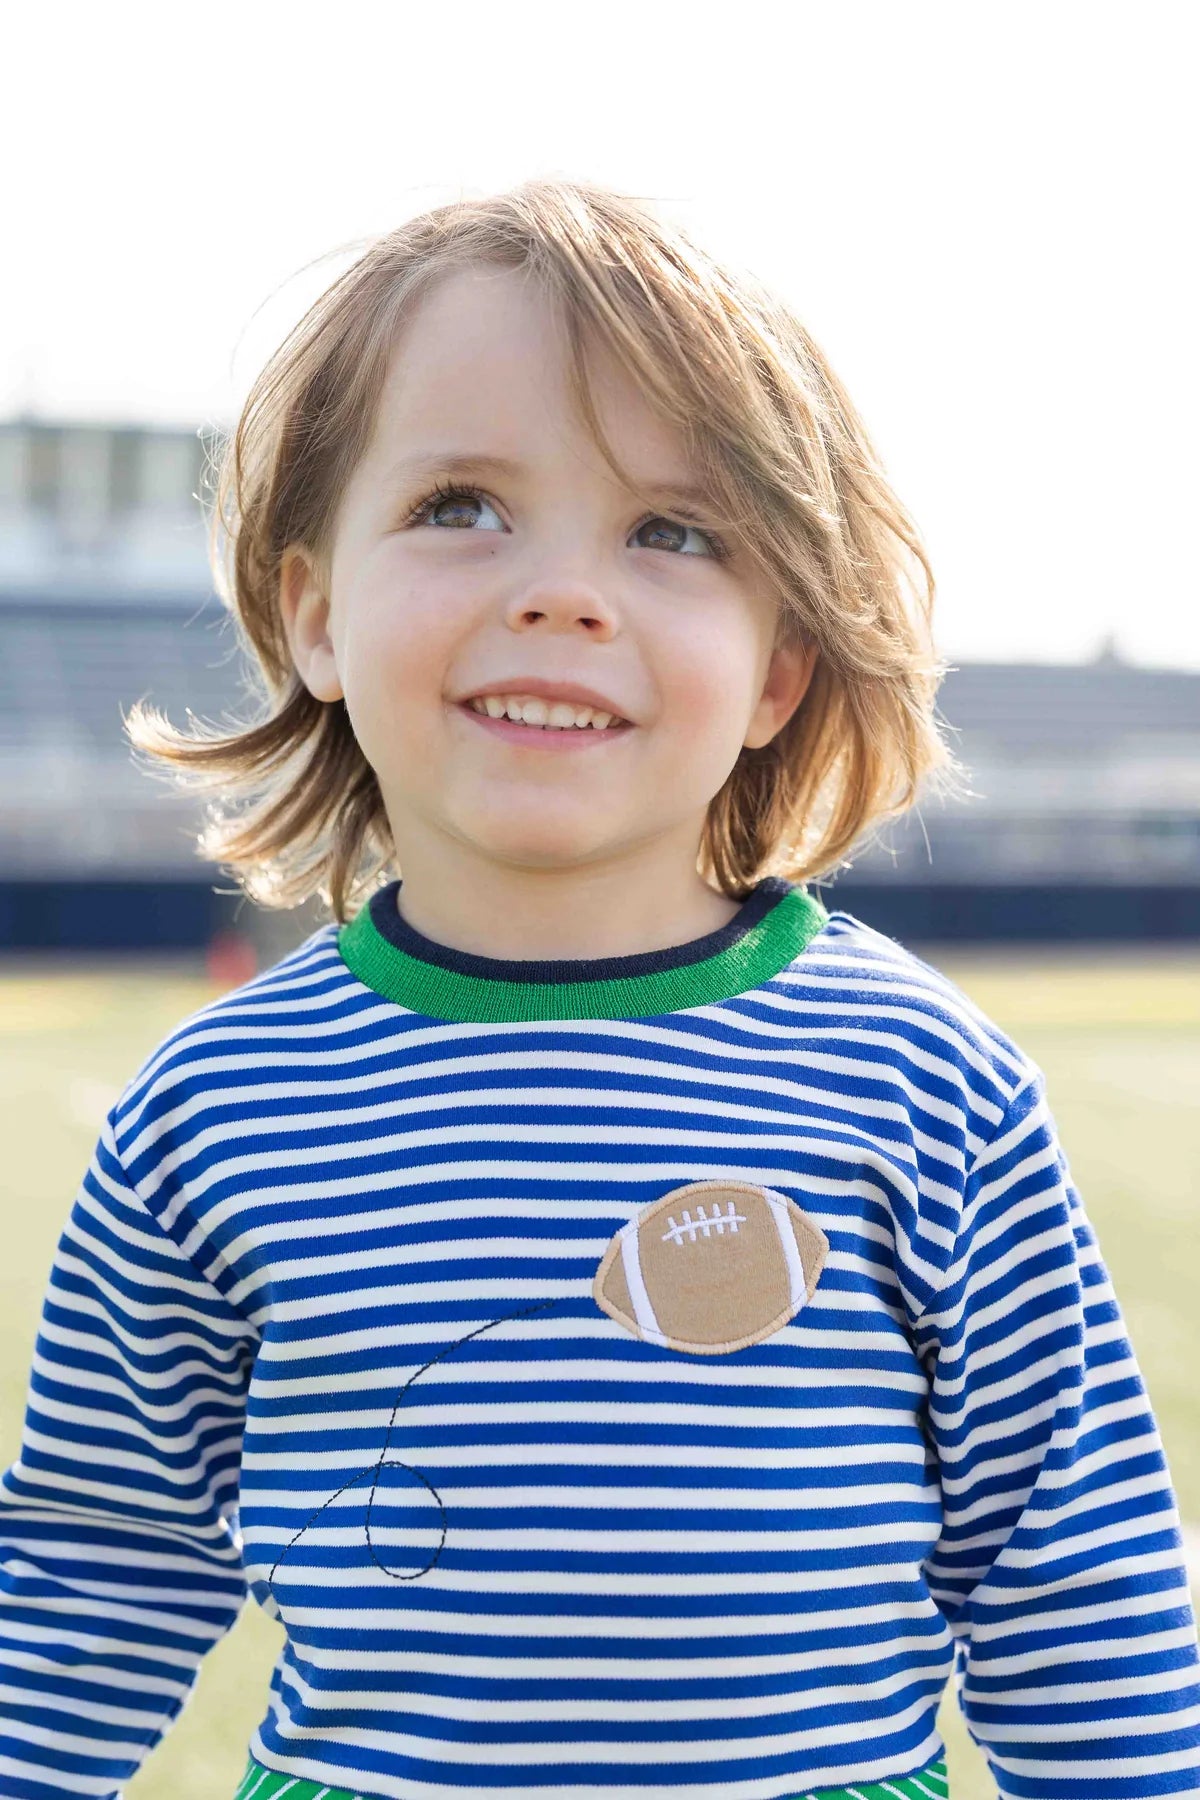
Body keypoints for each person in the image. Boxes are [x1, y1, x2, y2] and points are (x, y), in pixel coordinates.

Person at [1, 177, 1196, 1800]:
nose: (564, 589)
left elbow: (1072, 1571)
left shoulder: (923, 1076)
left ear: (779, 669)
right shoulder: (212, 1108)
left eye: (673, 531)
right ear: (314, 613)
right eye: (461, 506)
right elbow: (96, 1565)